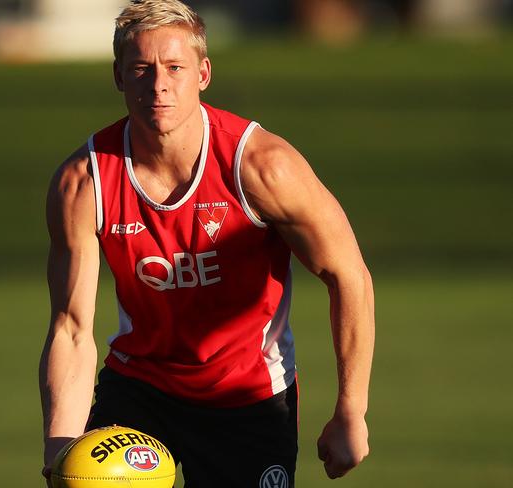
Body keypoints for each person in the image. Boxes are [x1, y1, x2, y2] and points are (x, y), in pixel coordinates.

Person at [39, 1, 374, 486]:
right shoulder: (84, 182)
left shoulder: (262, 167)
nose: (159, 85)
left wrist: (351, 410)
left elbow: (348, 275)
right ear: (118, 76)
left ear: (203, 73)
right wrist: (59, 452)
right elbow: (71, 328)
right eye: (141, 69)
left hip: (247, 398)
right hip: (140, 389)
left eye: (175, 67)